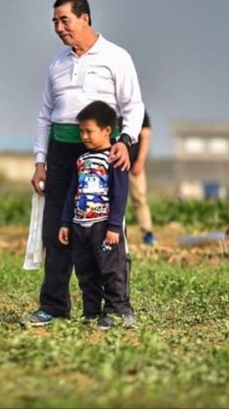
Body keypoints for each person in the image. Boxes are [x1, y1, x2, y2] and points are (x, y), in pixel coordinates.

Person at [23, 0, 144, 327]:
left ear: (85, 18)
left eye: (65, 20)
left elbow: (133, 106)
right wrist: (40, 161)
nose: (60, 28)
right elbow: (44, 116)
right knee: (57, 232)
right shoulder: (57, 64)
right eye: (55, 22)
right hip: (61, 156)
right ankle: (53, 306)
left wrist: (125, 141)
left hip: (102, 158)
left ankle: (117, 308)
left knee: (106, 233)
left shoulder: (116, 57)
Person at [57, 101, 135, 329]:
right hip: (81, 225)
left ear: (107, 131)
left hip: (104, 226)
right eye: (81, 131)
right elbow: (73, 191)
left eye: (89, 131)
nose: (84, 136)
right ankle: (91, 312)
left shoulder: (115, 158)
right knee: (85, 271)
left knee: (112, 270)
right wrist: (65, 223)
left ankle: (117, 310)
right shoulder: (81, 160)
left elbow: (120, 194)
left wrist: (113, 227)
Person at [129, 111, 155, 245]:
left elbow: (145, 135)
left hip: (134, 164)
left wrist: (140, 161)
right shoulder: (109, 105)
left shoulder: (138, 109)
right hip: (112, 164)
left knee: (139, 198)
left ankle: (147, 233)